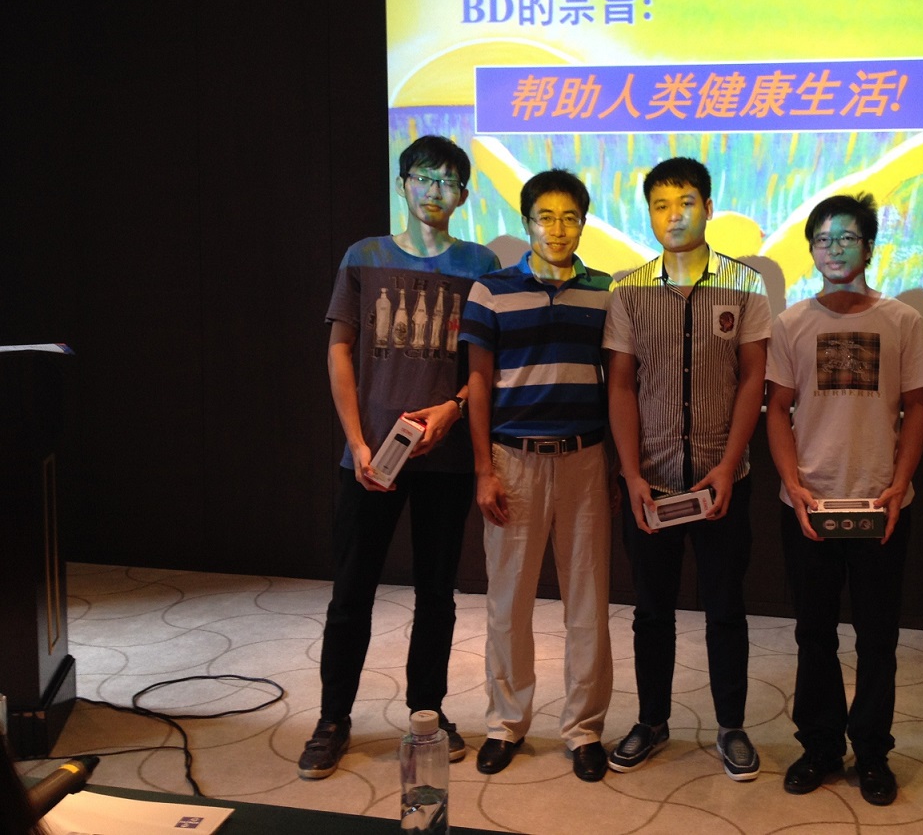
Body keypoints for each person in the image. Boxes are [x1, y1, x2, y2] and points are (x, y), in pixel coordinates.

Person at [298, 135, 499, 780]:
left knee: (437, 594)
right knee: (351, 592)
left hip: (446, 460)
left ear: (463, 195)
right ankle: (333, 719)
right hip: (370, 461)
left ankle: (426, 714)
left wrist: (455, 408)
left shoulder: (480, 264)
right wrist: (357, 443)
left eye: (449, 181)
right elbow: (339, 350)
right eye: (424, 177)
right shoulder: (364, 256)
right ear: (403, 183)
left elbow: (485, 365)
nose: (435, 190)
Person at [764, 193, 923, 806]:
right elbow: (777, 410)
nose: (834, 249)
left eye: (846, 238)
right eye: (823, 238)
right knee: (814, 633)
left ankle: (871, 752)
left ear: (868, 247)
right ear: (811, 250)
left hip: (880, 504)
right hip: (809, 504)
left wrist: (898, 484)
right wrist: (793, 483)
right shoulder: (790, 323)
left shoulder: (902, 321)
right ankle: (818, 746)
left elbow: (916, 408)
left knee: (877, 637)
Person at [603, 157, 770, 780]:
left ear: (709, 207)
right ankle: (651, 721)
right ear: (648, 214)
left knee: (726, 607)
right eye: (661, 205)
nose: (674, 216)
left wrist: (728, 464)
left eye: (687, 202)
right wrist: (630, 475)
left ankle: (732, 726)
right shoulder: (627, 290)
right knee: (651, 610)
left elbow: (753, 378)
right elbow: (621, 385)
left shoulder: (746, 284)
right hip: (652, 480)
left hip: (723, 481)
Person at [459, 169, 614, 783]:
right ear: (526, 223)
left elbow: (618, 383)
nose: (557, 229)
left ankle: (584, 729)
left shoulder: (606, 292)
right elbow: (477, 382)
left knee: (588, 604)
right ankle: (506, 723)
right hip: (512, 461)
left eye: (569, 217)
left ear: (584, 223)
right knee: (508, 602)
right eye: (545, 217)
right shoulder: (490, 290)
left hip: (585, 459)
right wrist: (483, 470)